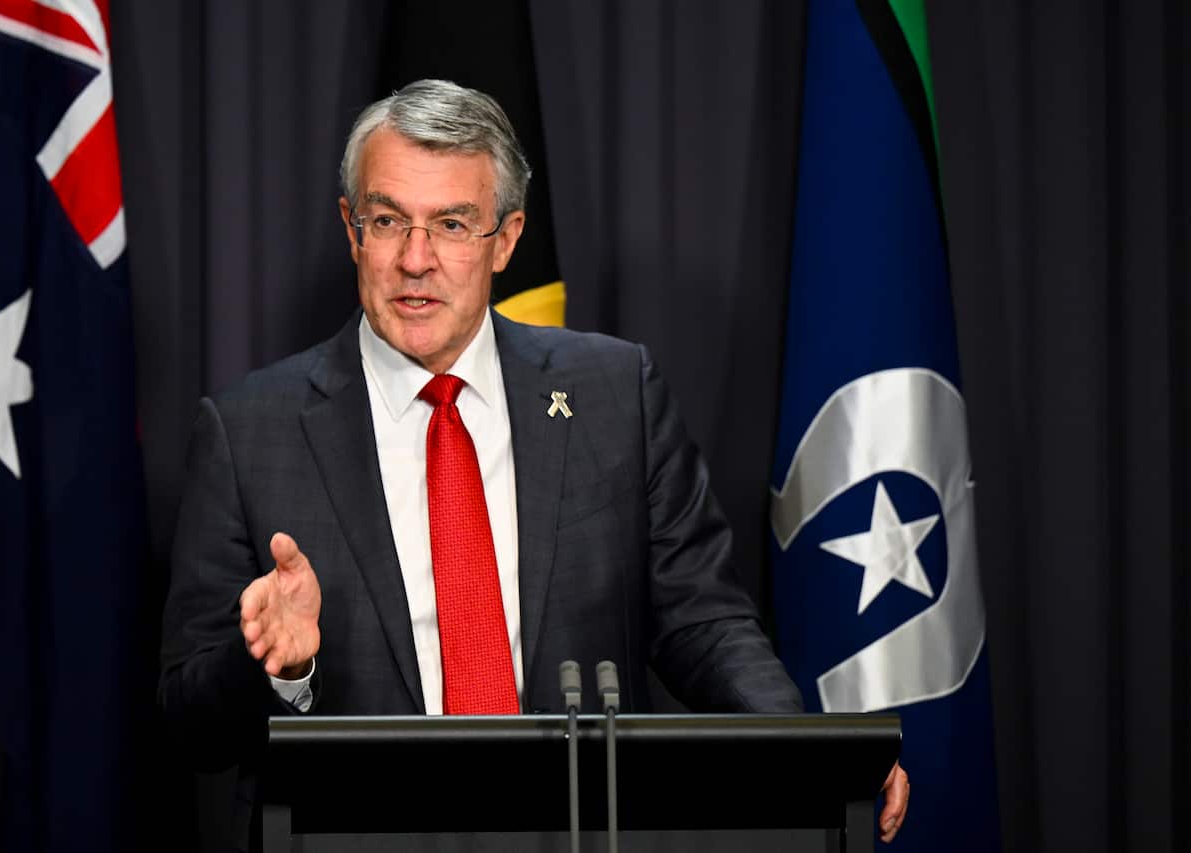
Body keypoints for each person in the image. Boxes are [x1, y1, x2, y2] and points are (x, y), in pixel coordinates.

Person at [159, 78, 908, 843]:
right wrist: (278, 669)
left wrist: (806, 753)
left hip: (580, 832)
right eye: (388, 221)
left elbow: (704, 621)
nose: (416, 260)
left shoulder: (617, 394)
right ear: (352, 230)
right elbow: (188, 722)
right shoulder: (250, 429)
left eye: (453, 224)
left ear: (507, 238)